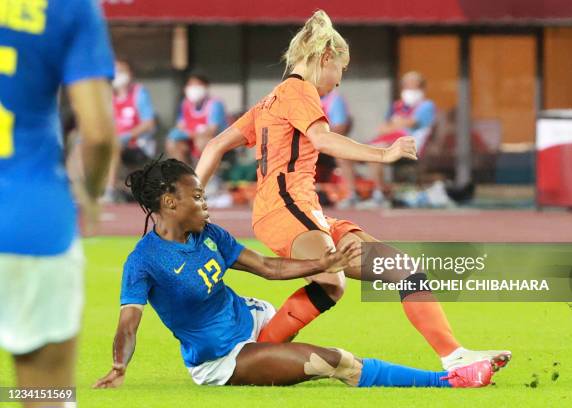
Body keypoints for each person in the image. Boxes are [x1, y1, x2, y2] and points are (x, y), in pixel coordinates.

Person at [195, 10, 511, 373]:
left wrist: (196, 203)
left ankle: (455, 356)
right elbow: (322, 138)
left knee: (401, 268)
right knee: (331, 279)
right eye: (341, 71)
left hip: (302, 209)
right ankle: (254, 357)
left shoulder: (271, 99)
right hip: (285, 209)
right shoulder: (299, 90)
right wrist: (384, 152)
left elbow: (214, 146)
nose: (338, 82)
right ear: (326, 58)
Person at [93, 158, 500, 389]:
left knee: (329, 290)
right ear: (169, 202)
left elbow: (269, 268)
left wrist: (322, 265)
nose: (206, 204)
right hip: (224, 358)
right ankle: (449, 381)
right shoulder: (144, 261)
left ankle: (448, 374)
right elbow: (128, 325)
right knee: (333, 362)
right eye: (197, 197)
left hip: (257, 320)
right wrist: (119, 366)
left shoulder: (211, 234)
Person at [0, 0, 116, 403]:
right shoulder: (70, 7)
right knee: (44, 395)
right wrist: (92, 191)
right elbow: (99, 134)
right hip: (30, 220)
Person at [364, 71, 437, 207]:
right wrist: (398, 123)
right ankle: (356, 195)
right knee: (347, 154)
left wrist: (396, 124)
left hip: (412, 147)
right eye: (407, 86)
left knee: (377, 149)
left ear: (422, 88)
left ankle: (380, 193)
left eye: (414, 87)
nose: (409, 90)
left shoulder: (426, 106)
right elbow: (382, 129)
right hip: (390, 143)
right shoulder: (396, 106)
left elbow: (411, 123)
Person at [104, 59, 157, 202]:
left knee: (114, 146)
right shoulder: (108, 96)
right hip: (114, 145)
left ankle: (109, 190)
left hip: (138, 146)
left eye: (121, 70)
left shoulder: (139, 93)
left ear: (130, 73)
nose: (117, 74)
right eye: (115, 70)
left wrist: (126, 136)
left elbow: (149, 123)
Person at [166, 71, 228, 165]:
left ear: (205, 87)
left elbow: (212, 131)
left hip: (214, 143)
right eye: (191, 85)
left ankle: (212, 174)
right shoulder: (185, 104)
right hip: (191, 142)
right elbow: (180, 126)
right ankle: (183, 175)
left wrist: (189, 134)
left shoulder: (215, 104)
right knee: (172, 143)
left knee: (203, 141)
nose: (193, 89)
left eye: (197, 85)